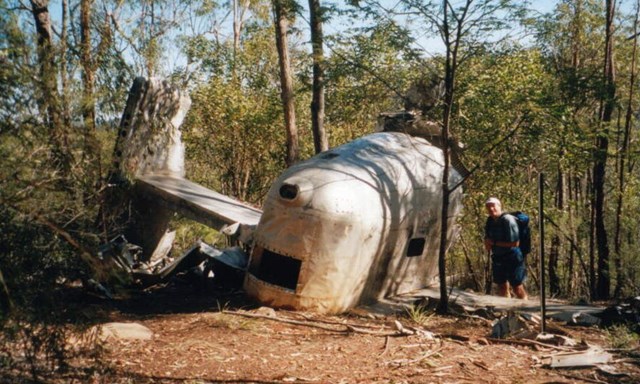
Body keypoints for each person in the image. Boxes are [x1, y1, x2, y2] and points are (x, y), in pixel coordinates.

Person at [484, 197, 528, 299]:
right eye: (488, 207)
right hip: (498, 257)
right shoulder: (490, 221)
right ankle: (506, 311)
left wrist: (494, 243)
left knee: (517, 286)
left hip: (513, 257)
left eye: (493, 206)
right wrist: (488, 243)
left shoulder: (508, 220)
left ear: (499, 206)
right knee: (502, 286)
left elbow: (515, 243)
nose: (491, 209)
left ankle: (526, 310)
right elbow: (487, 239)